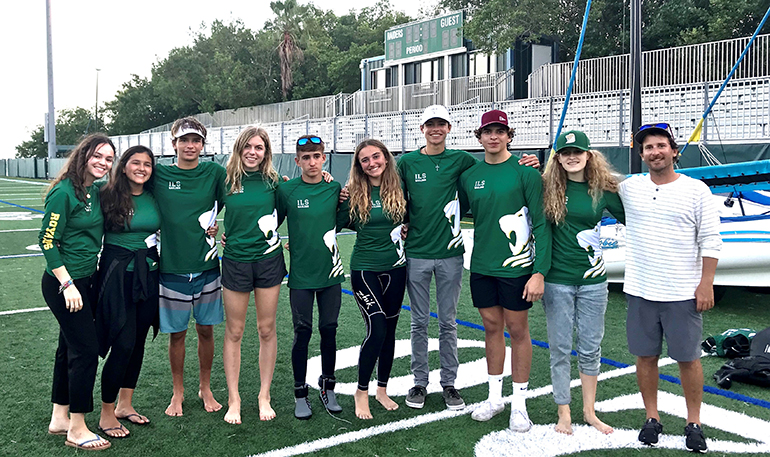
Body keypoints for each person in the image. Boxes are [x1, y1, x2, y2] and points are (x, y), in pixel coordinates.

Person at [397, 105, 539, 411]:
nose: (435, 129)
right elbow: (392, 194)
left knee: (448, 321)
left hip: (452, 253)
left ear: (449, 128)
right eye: (429, 124)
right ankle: (420, 382)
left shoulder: (463, 161)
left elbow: (498, 169)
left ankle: (449, 383)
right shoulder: (406, 162)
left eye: (441, 124)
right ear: (421, 128)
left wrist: (530, 162)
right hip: (417, 253)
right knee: (419, 321)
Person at [622, 123, 721, 452]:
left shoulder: (696, 190)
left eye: (661, 145)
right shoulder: (630, 187)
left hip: (681, 292)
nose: (655, 152)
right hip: (640, 290)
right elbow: (584, 174)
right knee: (645, 357)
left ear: (674, 150)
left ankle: (694, 422)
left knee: (689, 359)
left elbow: (710, 240)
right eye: (648, 147)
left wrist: (706, 283)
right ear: (641, 154)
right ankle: (652, 417)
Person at [458, 110, 551, 431]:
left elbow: (541, 223)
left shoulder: (526, 173)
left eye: (500, 131)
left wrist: (539, 272)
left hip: (516, 267)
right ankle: (495, 398)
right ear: (479, 137)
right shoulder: (470, 176)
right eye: (488, 132)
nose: (493, 136)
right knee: (491, 327)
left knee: (518, 329)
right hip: (482, 264)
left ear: (509, 136)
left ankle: (519, 404)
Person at [541, 130, 624, 435]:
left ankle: (589, 411)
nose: (572, 157)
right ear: (558, 158)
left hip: (593, 281)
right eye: (565, 153)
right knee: (560, 347)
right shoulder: (547, 187)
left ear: (589, 155)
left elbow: (635, 218)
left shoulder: (602, 190)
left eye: (578, 152)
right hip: (557, 280)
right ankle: (564, 411)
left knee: (590, 347)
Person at [40, 134, 115, 451]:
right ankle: (77, 426)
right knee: (86, 350)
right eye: (98, 156)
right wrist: (67, 284)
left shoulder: (95, 190)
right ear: (83, 155)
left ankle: (59, 416)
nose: (103, 163)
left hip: (87, 279)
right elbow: (47, 242)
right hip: (64, 284)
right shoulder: (63, 193)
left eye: (109, 159)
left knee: (67, 348)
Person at [153, 117, 227, 416]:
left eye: (195, 140)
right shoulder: (159, 174)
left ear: (202, 144)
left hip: (207, 266)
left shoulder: (214, 172)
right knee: (177, 334)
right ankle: (178, 391)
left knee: (206, 330)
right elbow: (124, 182)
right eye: (184, 140)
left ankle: (205, 387)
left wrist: (217, 223)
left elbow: (239, 196)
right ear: (174, 144)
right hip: (171, 267)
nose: (190, 145)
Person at [220, 127, 286, 424]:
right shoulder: (224, 182)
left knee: (266, 329)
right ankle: (234, 399)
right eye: (247, 146)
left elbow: (282, 214)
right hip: (235, 261)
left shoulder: (275, 183)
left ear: (266, 152)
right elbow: (206, 211)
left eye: (258, 147)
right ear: (238, 148)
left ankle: (264, 395)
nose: (252, 152)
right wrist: (216, 232)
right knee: (234, 331)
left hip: (269, 262)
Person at [338, 139, 407, 420]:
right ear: (359, 166)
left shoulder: (402, 189)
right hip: (365, 269)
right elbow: (330, 222)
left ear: (386, 158)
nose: (371, 163)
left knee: (390, 331)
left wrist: (408, 228)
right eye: (364, 160)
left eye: (376, 156)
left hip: (396, 269)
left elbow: (414, 217)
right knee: (376, 328)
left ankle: (382, 389)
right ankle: (361, 391)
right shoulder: (352, 193)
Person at [277, 135, 344, 419]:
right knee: (302, 332)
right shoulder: (287, 190)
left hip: (331, 275)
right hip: (301, 277)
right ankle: (299, 392)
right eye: (306, 157)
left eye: (316, 156)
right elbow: (270, 219)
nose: (312, 162)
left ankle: (328, 386)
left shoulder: (334, 187)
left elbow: (342, 221)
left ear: (324, 158)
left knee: (329, 329)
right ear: (297, 161)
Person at [96, 146, 161, 437]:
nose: (142, 168)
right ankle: (106, 414)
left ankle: (125, 405)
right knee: (122, 343)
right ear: (123, 166)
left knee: (137, 343)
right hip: (117, 275)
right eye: (136, 162)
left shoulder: (155, 195)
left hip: (148, 274)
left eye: (147, 164)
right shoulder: (106, 193)